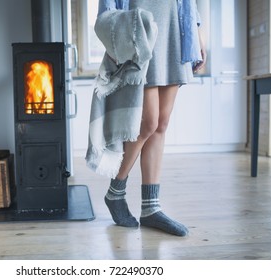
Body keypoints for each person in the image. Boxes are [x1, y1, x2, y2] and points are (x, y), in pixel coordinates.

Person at [95, 0, 206, 236]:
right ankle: (115, 191)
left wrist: (197, 33)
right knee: (148, 122)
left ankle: (150, 208)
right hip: (139, 35)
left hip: (175, 31)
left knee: (161, 124)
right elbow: (106, 11)